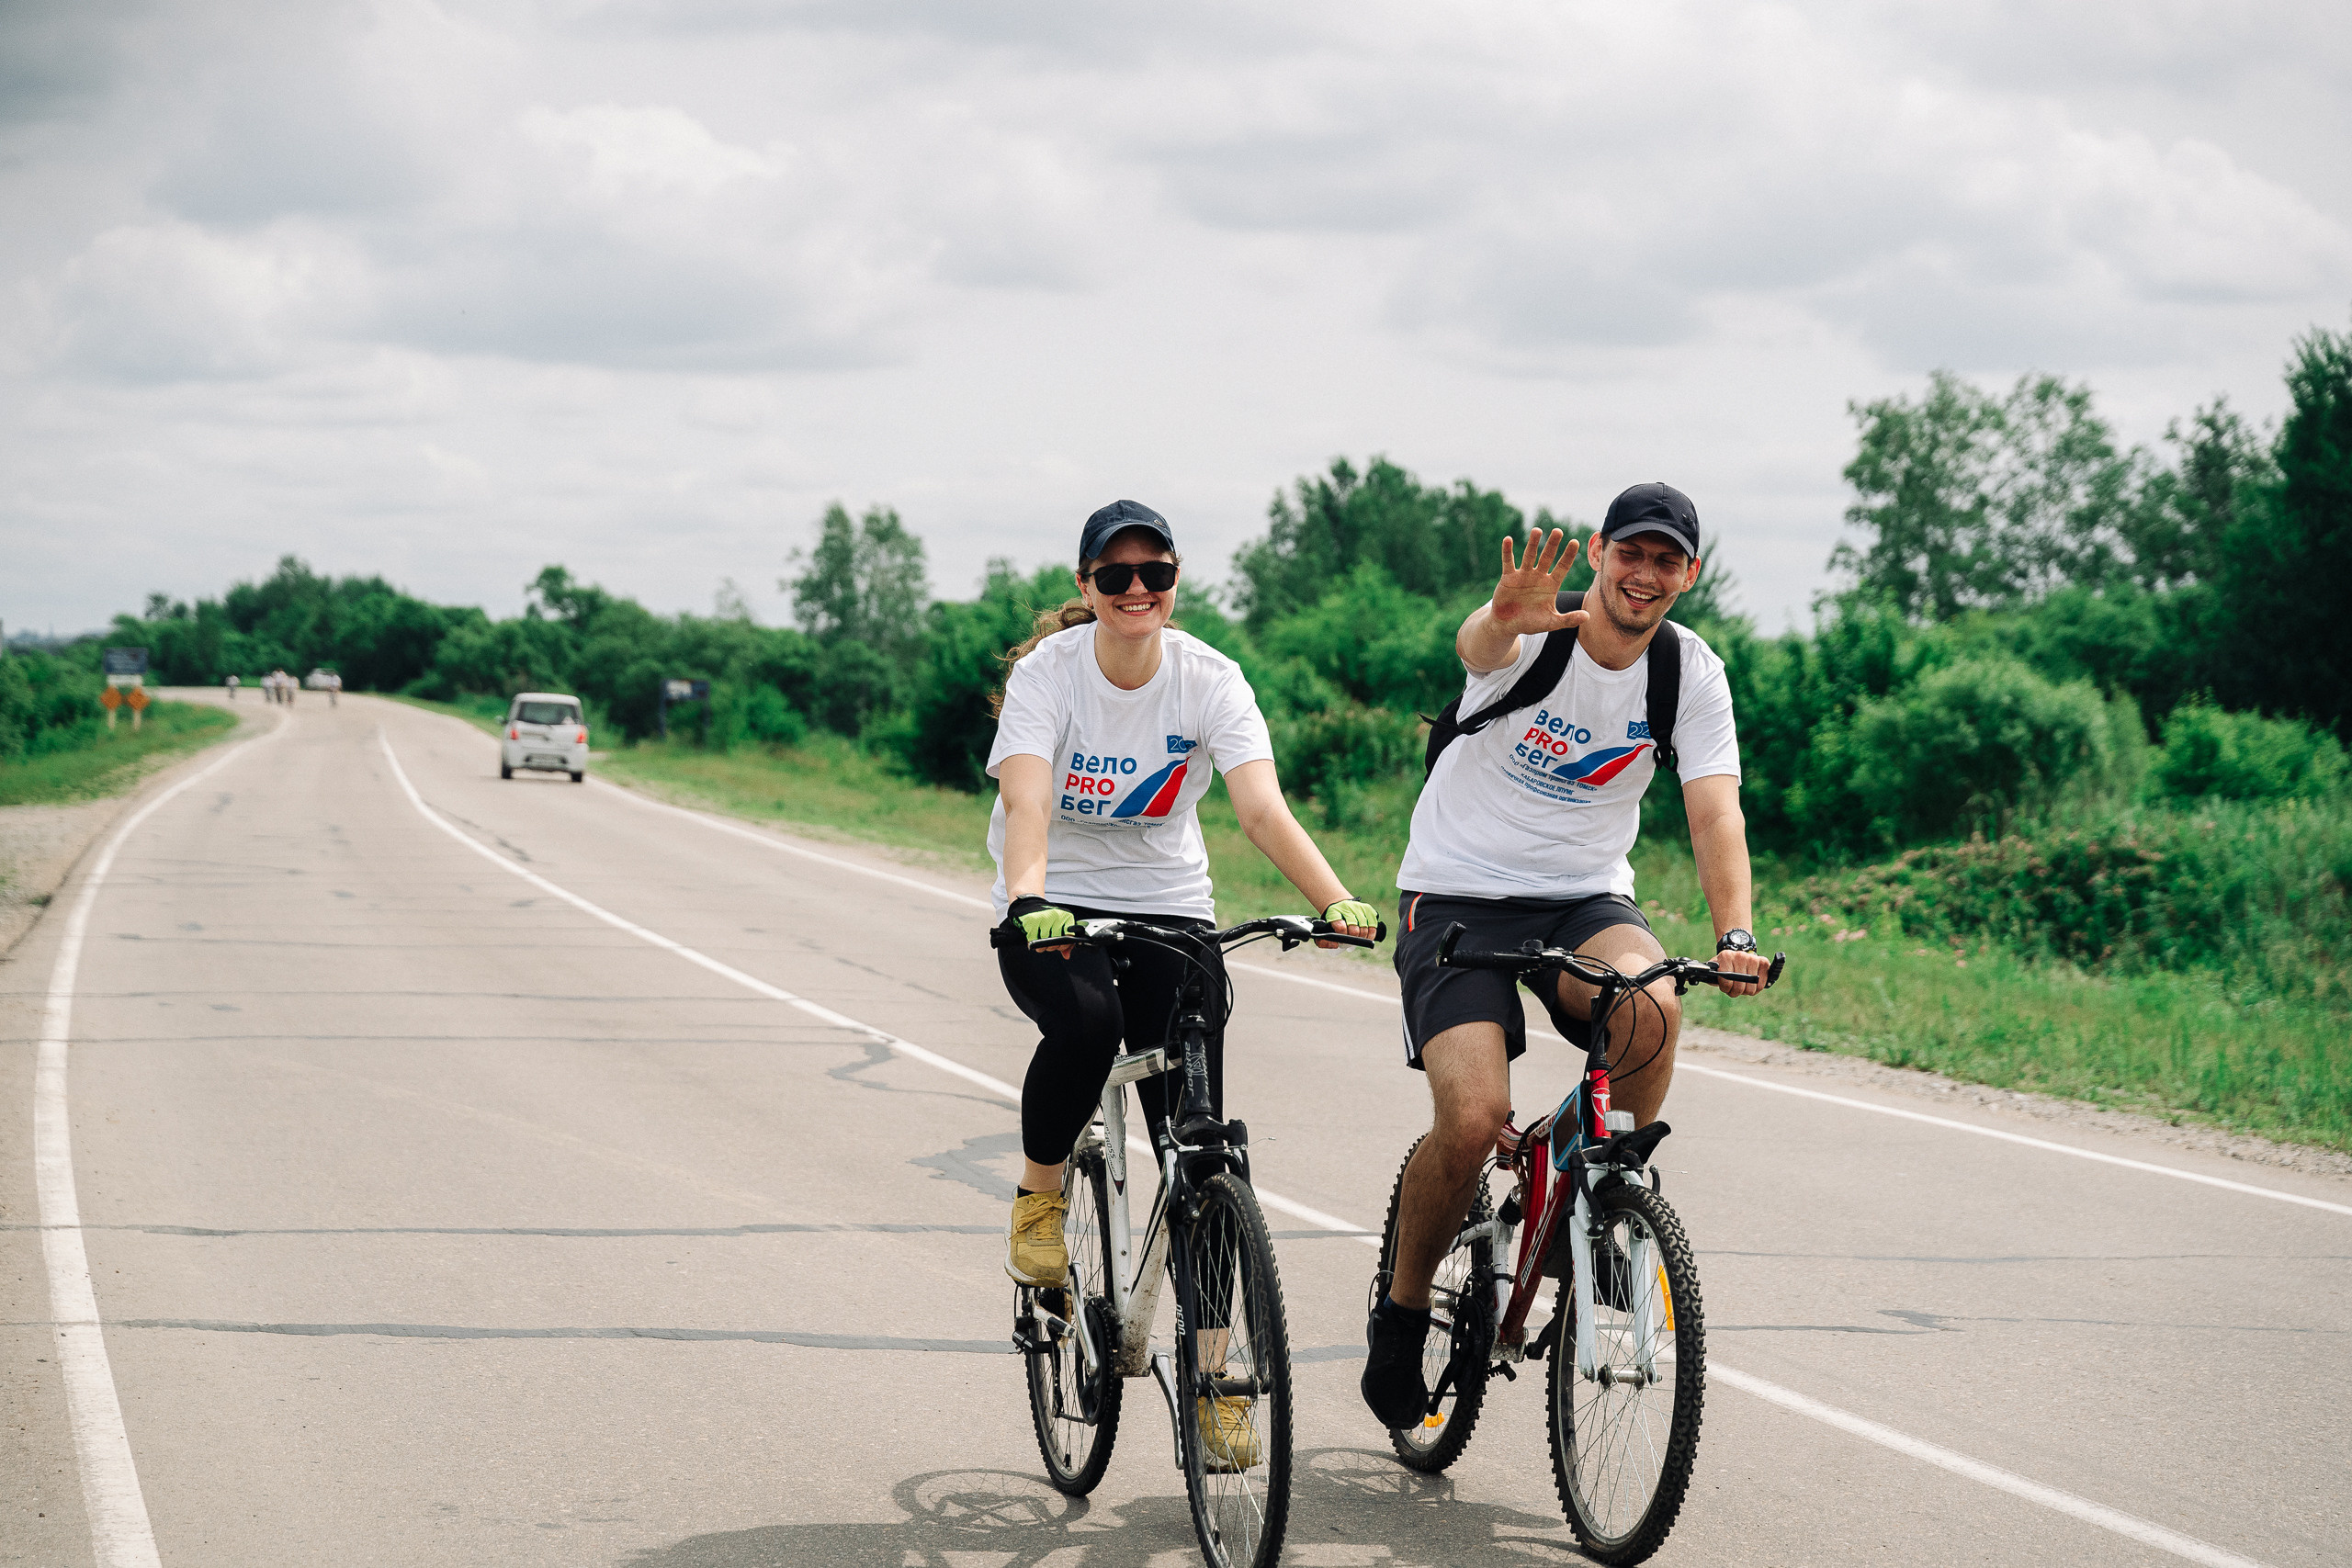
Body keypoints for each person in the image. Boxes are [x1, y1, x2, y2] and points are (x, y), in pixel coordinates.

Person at [1361, 481, 1770, 1430]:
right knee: (1472, 1123)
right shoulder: (1537, 633)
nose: (1645, 573)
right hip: (1457, 892)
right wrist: (1498, 618)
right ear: (1599, 552)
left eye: (1666, 560)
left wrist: (1735, 935)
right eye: (1632, 552)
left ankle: (1599, 1200)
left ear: (1688, 575)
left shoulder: (1688, 671)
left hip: (1579, 898)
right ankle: (1403, 1309)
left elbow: (1714, 811)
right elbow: (1481, 646)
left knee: (1654, 1002)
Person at [989, 498, 1379, 1469]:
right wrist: (1030, 895)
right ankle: (1040, 1201)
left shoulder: (1210, 679)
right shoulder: (1050, 676)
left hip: (1169, 907)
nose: (1134, 591)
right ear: (1085, 586)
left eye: (1152, 574)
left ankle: (1217, 1387)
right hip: (1056, 906)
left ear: (1173, 583)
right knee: (1085, 1027)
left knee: (1201, 1153)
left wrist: (1333, 899)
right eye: (1113, 576)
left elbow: (1259, 808)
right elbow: (1026, 794)